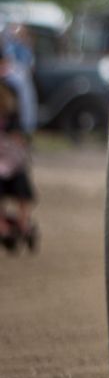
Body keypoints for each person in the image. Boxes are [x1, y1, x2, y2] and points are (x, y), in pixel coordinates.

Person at [0, 75, 36, 253]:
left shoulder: (12, 121)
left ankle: (23, 223)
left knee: (22, 183)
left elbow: (20, 139)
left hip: (12, 164)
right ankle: (4, 226)